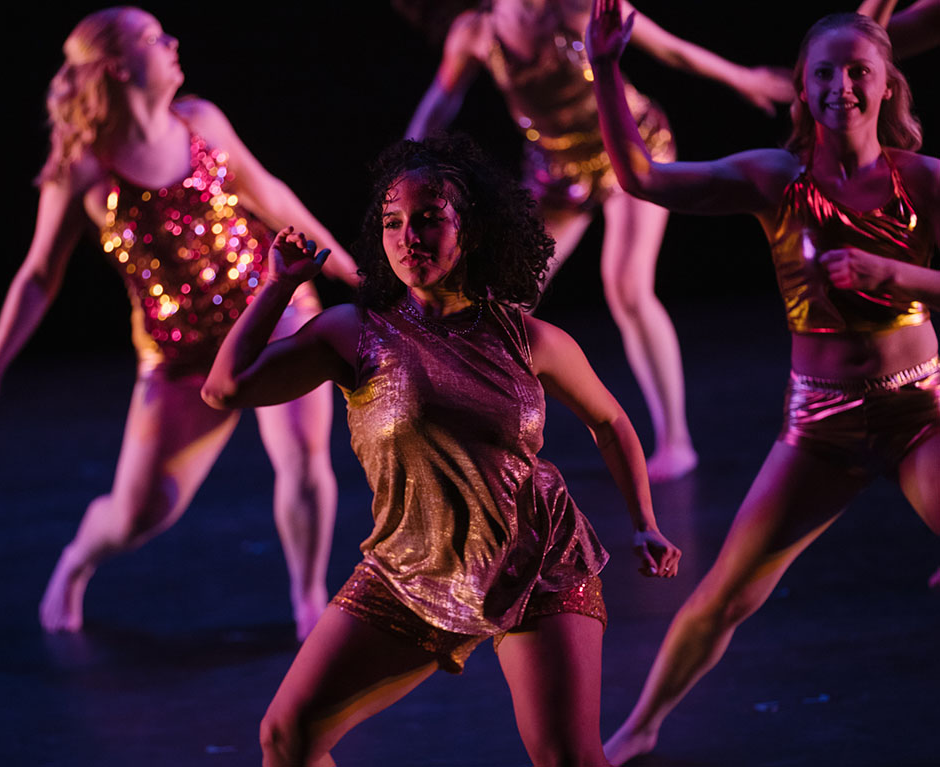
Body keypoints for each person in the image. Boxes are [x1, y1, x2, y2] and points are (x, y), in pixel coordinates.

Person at [202, 134, 681, 767]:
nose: (408, 237)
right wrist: (277, 287)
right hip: (411, 568)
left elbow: (610, 420)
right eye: (393, 222)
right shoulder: (355, 334)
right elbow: (225, 388)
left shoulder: (527, 337)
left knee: (569, 758)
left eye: (428, 218)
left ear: (471, 230)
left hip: (535, 556)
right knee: (286, 737)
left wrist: (644, 521)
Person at [0, 6, 360, 641]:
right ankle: (77, 561)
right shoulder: (84, 169)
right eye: (154, 38)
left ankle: (307, 602)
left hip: (272, 312)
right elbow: (38, 276)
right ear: (117, 66)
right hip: (180, 351)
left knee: (303, 458)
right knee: (141, 514)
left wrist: (345, 267)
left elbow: (269, 194)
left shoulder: (201, 121)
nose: (172, 43)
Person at [586, 3, 939, 763]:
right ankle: (640, 726)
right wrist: (607, 68)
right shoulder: (775, 179)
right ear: (802, 89)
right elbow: (641, 177)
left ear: (887, 86)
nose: (842, 87)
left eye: (859, 72)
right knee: (725, 595)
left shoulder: (925, 181)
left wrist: (895, 275)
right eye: (824, 73)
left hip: (920, 409)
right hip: (822, 421)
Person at [405, 0, 796, 482]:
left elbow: (670, 49)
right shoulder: (476, 33)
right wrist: (407, 162)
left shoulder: (577, 9)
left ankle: (676, 441)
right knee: (502, 298)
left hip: (631, 151)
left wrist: (744, 78)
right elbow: (441, 101)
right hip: (558, 171)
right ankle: (488, 436)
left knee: (627, 287)